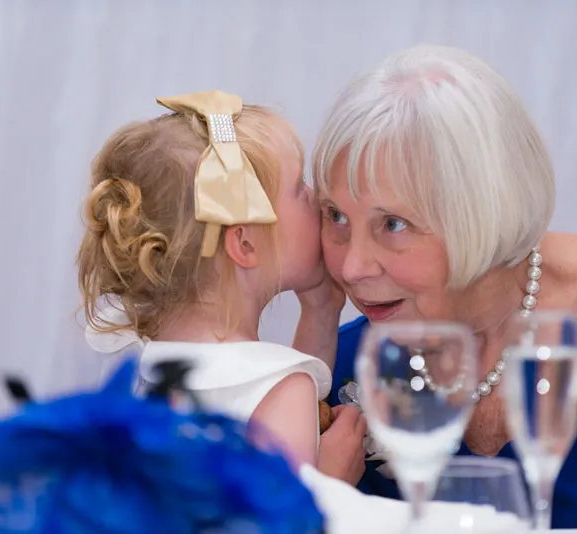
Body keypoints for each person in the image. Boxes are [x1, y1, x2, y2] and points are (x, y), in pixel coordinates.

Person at [309, 45, 577, 527]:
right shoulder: (346, 368)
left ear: (482, 211)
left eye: (392, 223)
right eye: (335, 216)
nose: (351, 265)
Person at [77, 89, 363, 485]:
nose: (317, 199)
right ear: (245, 243)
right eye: (299, 189)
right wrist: (333, 485)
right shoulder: (280, 390)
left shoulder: (138, 368)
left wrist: (321, 311)